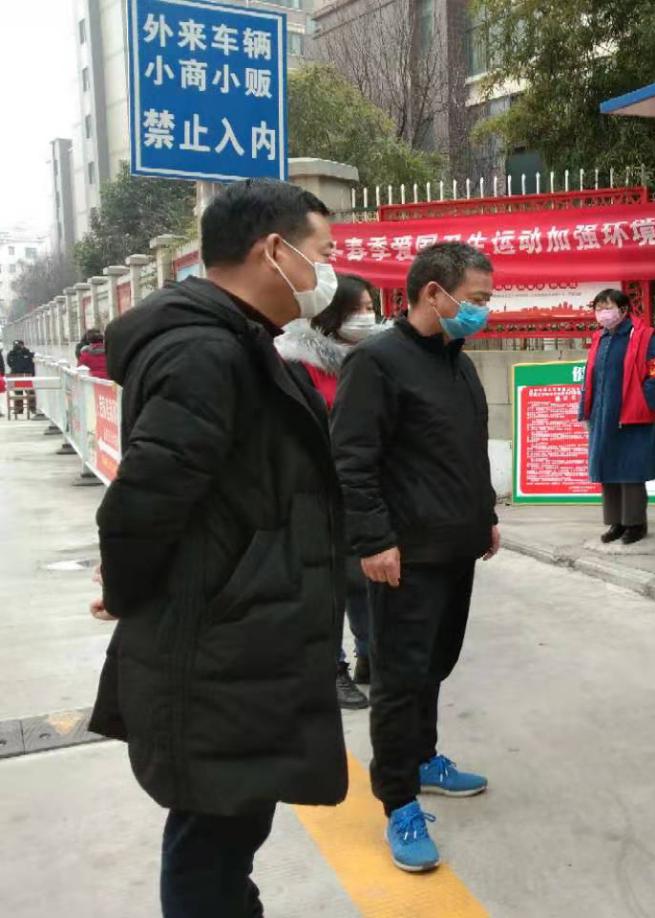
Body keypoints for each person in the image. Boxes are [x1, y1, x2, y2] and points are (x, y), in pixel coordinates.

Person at [88, 179, 348, 918]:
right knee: (213, 829)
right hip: (218, 637)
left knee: (230, 823)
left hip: (243, 628)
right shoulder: (206, 352)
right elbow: (144, 500)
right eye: (321, 253)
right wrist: (131, 592)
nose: (326, 271)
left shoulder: (237, 341)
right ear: (275, 249)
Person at [332, 242, 500, 873]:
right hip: (404, 556)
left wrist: (484, 515)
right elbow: (352, 459)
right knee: (400, 681)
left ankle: (425, 759)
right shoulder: (378, 361)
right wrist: (373, 541)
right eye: (477, 299)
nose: (484, 311)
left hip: (456, 547)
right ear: (435, 292)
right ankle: (397, 799)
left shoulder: (456, 360)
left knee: (434, 664)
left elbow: (463, 449)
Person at [276, 273, 384, 710]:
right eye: (357, 308)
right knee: (324, 586)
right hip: (313, 492)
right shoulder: (293, 364)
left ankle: (369, 655)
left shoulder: (377, 358)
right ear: (329, 313)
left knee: (365, 580)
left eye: (370, 307)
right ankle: (329, 667)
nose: (367, 316)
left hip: (364, 491)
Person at [580, 289, 655, 545]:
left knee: (631, 471)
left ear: (623, 310)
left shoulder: (644, 336)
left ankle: (635, 524)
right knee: (607, 468)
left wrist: (644, 402)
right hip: (603, 414)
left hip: (632, 414)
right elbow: (592, 375)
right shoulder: (600, 338)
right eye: (598, 308)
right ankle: (616, 522)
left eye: (607, 307)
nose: (602, 313)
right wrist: (587, 408)